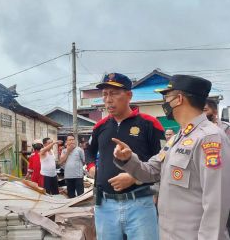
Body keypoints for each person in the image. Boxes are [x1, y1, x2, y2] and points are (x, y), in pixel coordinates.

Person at [113, 74, 230, 239]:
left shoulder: (209, 138)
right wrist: (128, 159)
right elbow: (152, 171)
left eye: (166, 96)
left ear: (179, 99)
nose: (165, 102)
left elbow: (217, 203)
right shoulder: (178, 138)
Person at [85, 72, 164, 240]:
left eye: (114, 93)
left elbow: (163, 161)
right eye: (105, 94)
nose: (108, 99)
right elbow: (89, 152)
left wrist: (136, 177)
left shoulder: (150, 124)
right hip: (105, 206)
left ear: (129, 95)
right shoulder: (100, 126)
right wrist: (92, 168)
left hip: (140, 204)